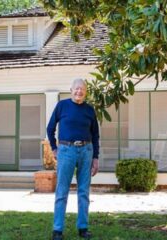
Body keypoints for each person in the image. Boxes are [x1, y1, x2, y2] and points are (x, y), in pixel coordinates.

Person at [47, 78, 100, 240]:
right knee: (62, 191)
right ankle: (57, 229)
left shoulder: (90, 110)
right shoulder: (62, 106)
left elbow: (95, 135)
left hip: (86, 150)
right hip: (66, 150)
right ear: (71, 90)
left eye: (82, 89)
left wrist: (95, 157)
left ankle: (83, 228)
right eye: (76, 89)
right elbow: (50, 128)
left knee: (84, 191)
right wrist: (54, 148)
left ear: (86, 92)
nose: (79, 91)